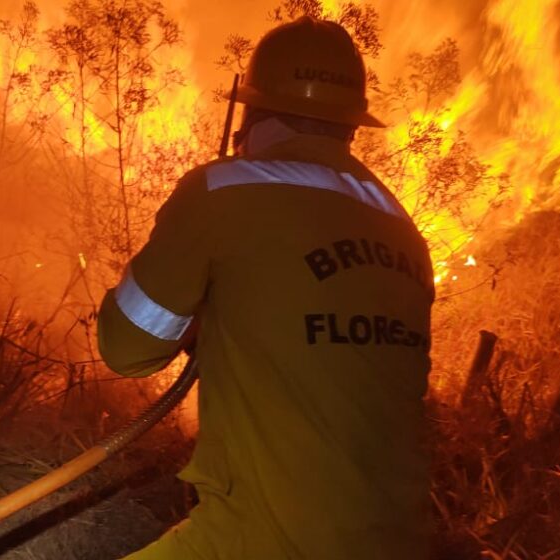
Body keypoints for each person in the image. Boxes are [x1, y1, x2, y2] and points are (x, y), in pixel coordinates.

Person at [98, 15, 435, 560]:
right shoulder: (405, 231)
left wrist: (196, 312)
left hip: (261, 542)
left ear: (251, 111)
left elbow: (126, 347)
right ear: (350, 127)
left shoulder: (222, 189)